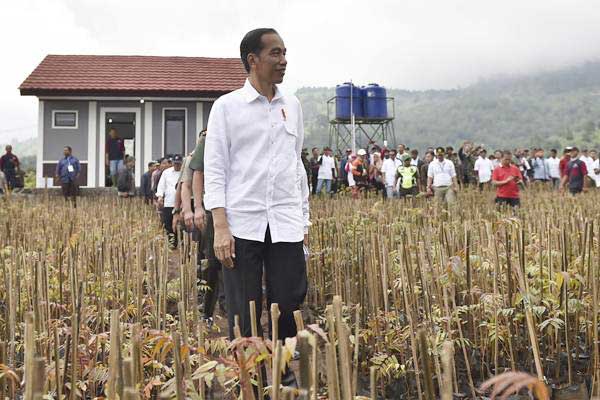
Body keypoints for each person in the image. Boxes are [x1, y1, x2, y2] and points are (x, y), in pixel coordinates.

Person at [203, 28, 310, 388]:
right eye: (275, 54)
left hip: (285, 223)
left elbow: (296, 167)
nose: (283, 61)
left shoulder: (291, 106)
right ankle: (248, 381)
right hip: (242, 224)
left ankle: (283, 379)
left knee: (288, 304)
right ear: (253, 60)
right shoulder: (227, 107)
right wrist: (220, 226)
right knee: (244, 310)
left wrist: (303, 219)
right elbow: (215, 169)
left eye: (284, 53)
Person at [180, 130, 226, 325]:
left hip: (235, 209)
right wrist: (189, 209)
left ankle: (228, 305)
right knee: (209, 263)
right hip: (209, 211)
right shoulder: (193, 157)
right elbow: (186, 185)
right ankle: (206, 309)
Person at [156, 154, 183, 248]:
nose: (177, 166)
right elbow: (161, 186)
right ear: (172, 163)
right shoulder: (166, 173)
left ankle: (182, 243)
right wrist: (160, 197)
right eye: (175, 164)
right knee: (168, 223)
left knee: (181, 225)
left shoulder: (184, 172)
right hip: (168, 202)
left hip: (181, 204)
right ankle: (171, 243)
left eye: (178, 164)